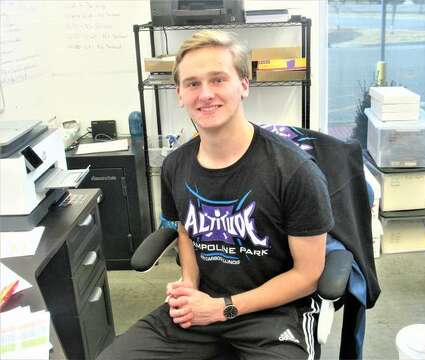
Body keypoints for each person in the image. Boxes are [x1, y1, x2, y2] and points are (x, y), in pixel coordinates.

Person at [99, 30, 334, 360]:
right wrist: (189, 284)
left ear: (244, 84)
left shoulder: (294, 172)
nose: (205, 94)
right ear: (179, 94)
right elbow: (184, 230)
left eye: (218, 79)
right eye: (193, 83)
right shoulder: (176, 165)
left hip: (275, 311)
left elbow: (308, 276)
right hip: (202, 306)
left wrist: (222, 309)